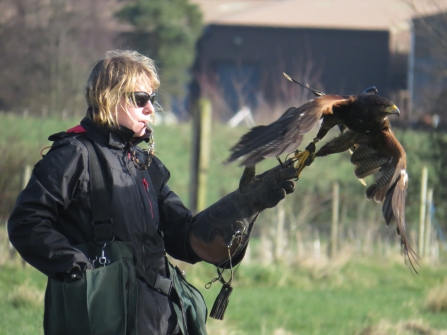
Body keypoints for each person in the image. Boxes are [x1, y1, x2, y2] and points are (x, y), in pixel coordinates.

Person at [8, 50, 296, 335]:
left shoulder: (148, 166)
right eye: (140, 99)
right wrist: (78, 269)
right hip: (101, 318)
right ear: (108, 97)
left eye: (152, 100)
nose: (150, 109)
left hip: (162, 317)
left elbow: (185, 238)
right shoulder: (72, 154)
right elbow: (27, 223)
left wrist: (244, 206)